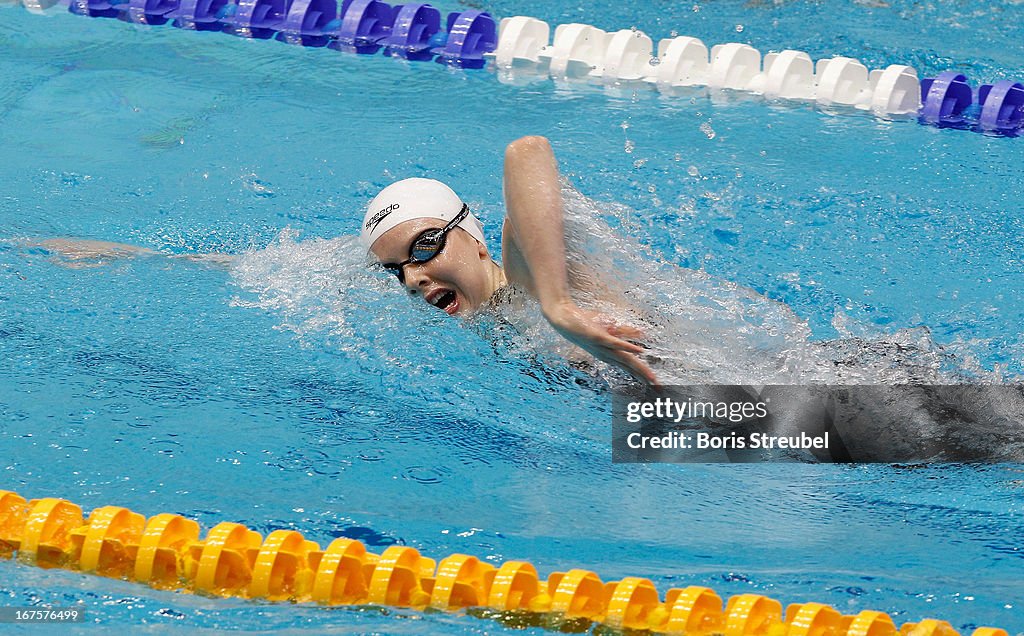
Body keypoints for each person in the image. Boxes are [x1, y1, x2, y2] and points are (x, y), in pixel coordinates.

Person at [362, 135, 659, 386]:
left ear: (477, 242)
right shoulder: (491, 321)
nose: (411, 280)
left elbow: (528, 151)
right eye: (395, 271)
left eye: (425, 247)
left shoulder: (525, 286)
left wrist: (558, 305)